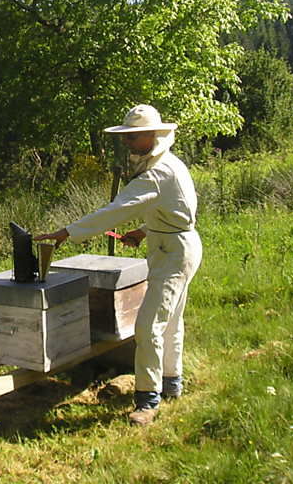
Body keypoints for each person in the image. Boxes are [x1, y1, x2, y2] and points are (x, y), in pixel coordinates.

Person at [34, 104, 202, 427]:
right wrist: (145, 230)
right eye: (125, 137)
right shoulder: (168, 163)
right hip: (174, 245)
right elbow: (179, 209)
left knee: (149, 326)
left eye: (133, 137)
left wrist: (66, 233)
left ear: (153, 135)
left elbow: (115, 211)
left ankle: (147, 400)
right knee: (170, 322)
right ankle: (171, 383)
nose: (127, 143)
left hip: (175, 253)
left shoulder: (158, 172)